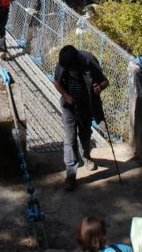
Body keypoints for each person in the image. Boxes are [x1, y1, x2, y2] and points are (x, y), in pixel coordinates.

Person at [53, 44, 109, 191]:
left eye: (71, 68)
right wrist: (66, 96)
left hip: (86, 107)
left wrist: (99, 88)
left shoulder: (89, 61)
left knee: (85, 135)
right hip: (69, 107)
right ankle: (71, 173)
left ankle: (86, 156)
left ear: (76, 62)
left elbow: (105, 81)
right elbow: (56, 82)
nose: (69, 70)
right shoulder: (62, 63)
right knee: (70, 138)